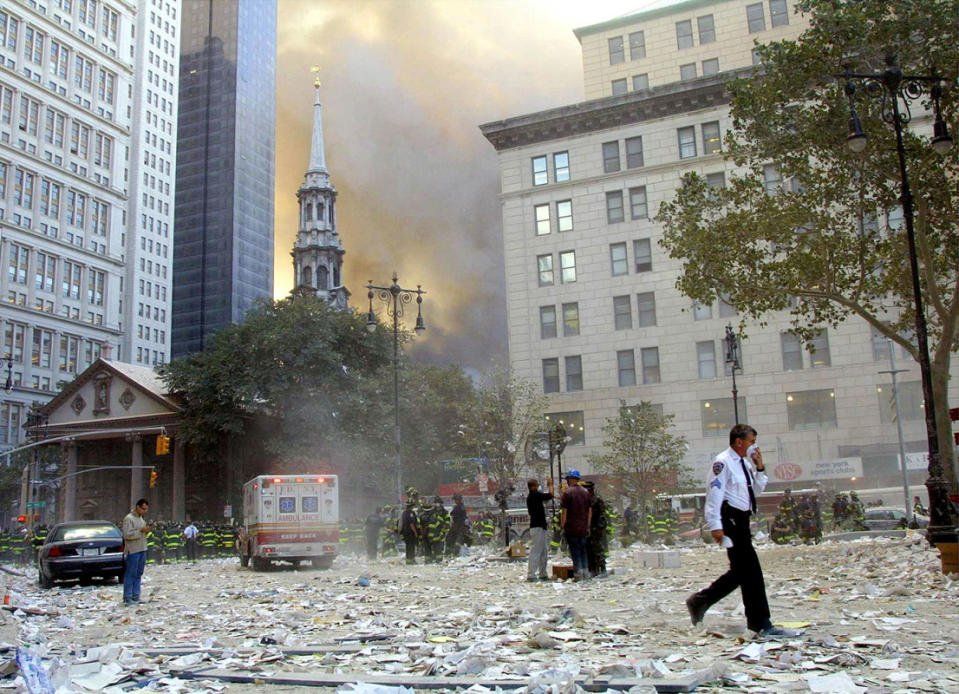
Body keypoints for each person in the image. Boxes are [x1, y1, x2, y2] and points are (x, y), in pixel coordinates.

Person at [685, 425, 796, 638]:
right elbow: (714, 495)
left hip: (742, 520)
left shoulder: (744, 464)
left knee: (741, 572)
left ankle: (699, 602)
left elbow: (754, 492)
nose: (754, 446)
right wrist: (716, 525)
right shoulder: (723, 463)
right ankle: (760, 623)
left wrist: (760, 468)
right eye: (751, 442)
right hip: (730, 519)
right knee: (752, 572)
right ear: (739, 442)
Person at [559, 470, 591, 581]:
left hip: (571, 527)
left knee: (575, 550)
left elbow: (564, 512)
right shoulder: (586, 492)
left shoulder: (567, 493)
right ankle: (585, 572)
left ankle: (578, 573)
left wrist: (562, 526)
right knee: (583, 550)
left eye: (568, 479)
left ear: (571, 479)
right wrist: (588, 525)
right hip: (583, 527)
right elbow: (589, 510)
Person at [121, 498, 150, 606]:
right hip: (133, 550)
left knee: (138, 573)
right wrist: (141, 531)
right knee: (131, 573)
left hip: (142, 548)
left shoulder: (141, 519)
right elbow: (127, 534)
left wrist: (146, 530)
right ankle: (127, 597)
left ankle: (136, 596)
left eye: (146, 509)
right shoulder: (129, 518)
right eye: (143, 509)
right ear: (137, 507)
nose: (144, 511)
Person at [525, 477, 554, 582]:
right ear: (534, 486)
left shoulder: (532, 496)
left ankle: (543, 573)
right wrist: (550, 484)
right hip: (537, 527)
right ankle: (531, 574)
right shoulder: (534, 495)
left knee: (543, 551)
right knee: (536, 551)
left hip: (540, 526)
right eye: (537, 484)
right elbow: (550, 495)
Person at [582, 480, 608, 577]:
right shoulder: (585, 500)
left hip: (596, 528)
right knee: (589, 550)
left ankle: (603, 569)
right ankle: (593, 570)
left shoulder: (597, 500)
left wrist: (600, 528)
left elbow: (602, 516)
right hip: (587, 528)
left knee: (597, 549)